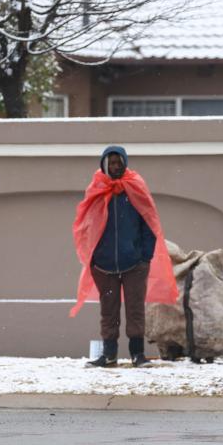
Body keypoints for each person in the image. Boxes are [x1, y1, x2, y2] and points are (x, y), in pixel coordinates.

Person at [71, 145, 178, 367]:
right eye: (111, 162)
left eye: (119, 162)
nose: (115, 166)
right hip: (104, 265)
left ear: (125, 163)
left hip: (134, 265)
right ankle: (109, 355)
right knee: (108, 311)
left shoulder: (135, 187)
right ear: (104, 165)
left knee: (135, 309)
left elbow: (149, 222)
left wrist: (144, 256)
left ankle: (137, 354)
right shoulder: (96, 189)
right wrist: (94, 257)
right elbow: (86, 223)